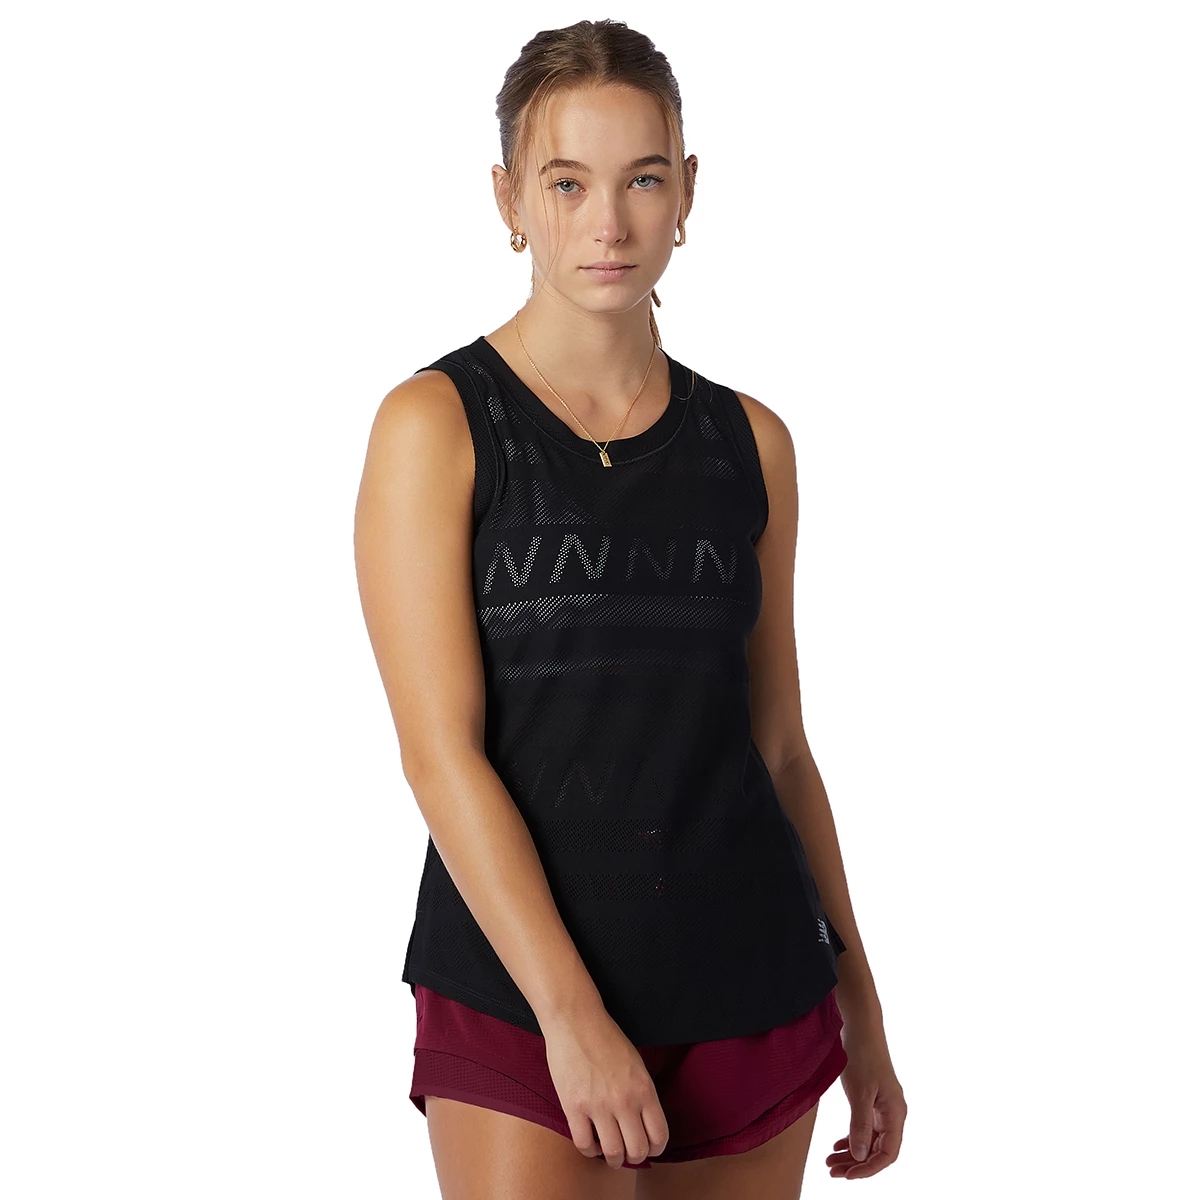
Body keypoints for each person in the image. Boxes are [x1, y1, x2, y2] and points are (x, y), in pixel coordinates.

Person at [355, 18, 905, 1196]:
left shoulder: (751, 441)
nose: (608, 223)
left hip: (751, 976)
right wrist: (573, 1018)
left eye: (643, 179)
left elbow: (778, 748)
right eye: (567, 182)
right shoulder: (434, 427)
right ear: (509, 198)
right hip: (518, 988)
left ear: (687, 191)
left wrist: (861, 1004)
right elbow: (441, 756)